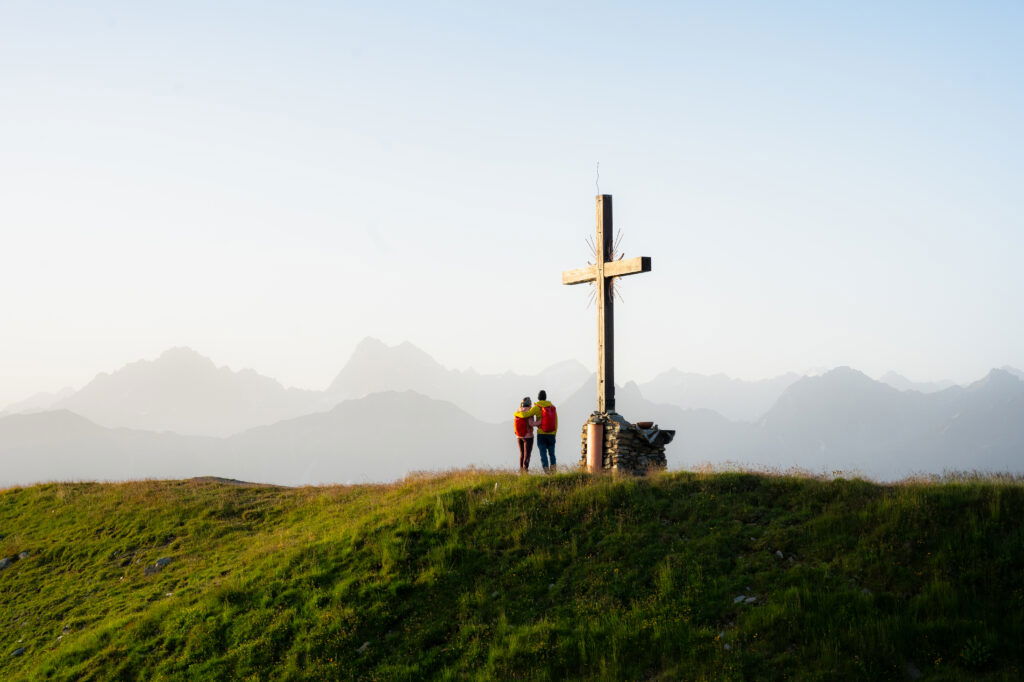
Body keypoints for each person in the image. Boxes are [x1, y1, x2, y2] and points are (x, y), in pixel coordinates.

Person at [519, 390, 558, 473]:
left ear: (538, 397)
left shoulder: (537, 407)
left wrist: (516, 413)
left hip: (541, 434)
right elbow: (556, 421)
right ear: (546, 397)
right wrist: (554, 433)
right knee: (552, 453)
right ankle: (554, 470)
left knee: (543, 453)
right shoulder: (552, 407)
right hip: (551, 434)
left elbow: (526, 415)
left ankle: (546, 470)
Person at [513, 397, 539, 472]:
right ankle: (525, 469)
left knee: (521, 454)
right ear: (529, 403)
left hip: (518, 436)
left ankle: (521, 470)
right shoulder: (529, 411)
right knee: (527, 454)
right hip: (528, 436)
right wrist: (540, 422)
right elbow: (531, 423)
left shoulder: (518, 410)